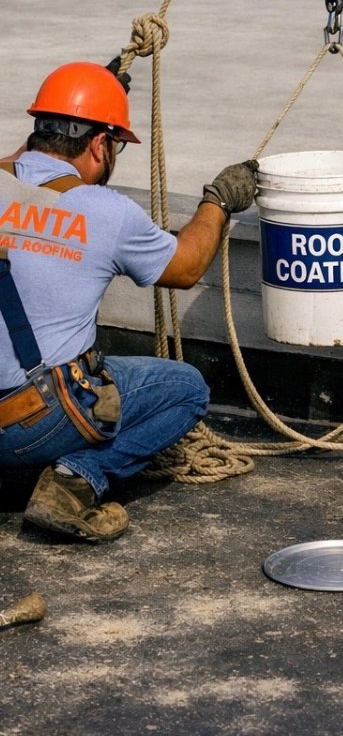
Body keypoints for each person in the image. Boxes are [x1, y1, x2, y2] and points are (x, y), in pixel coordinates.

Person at [0, 60, 259, 544]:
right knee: (185, 388)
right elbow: (185, 267)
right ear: (100, 144)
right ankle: (75, 480)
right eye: (114, 145)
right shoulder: (107, 213)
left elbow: (20, 166)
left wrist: (89, 97)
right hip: (27, 421)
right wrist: (218, 202)